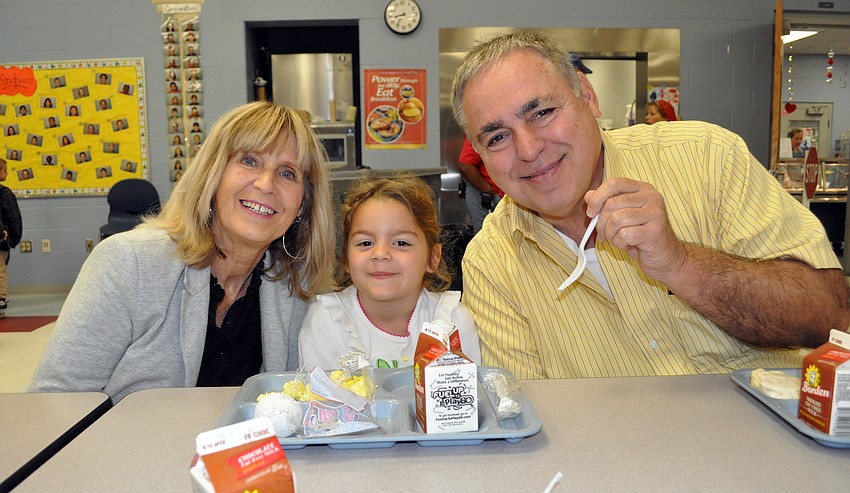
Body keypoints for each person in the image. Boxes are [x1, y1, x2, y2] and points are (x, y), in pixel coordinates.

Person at [450, 31, 850, 379]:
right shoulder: (491, 262)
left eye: (541, 113)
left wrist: (681, 264)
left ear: (586, 97)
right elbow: (528, 416)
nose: (529, 149)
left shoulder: (705, 157)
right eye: (498, 137)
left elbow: (830, 317)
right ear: (481, 155)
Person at [26, 101, 336, 402]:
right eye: (250, 161)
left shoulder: (295, 288)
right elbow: (52, 404)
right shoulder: (128, 263)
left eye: (287, 173)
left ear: (302, 205)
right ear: (213, 176)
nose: (266, 184)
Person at [299, 173, 481, 370]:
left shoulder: (452, 322)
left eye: (401, 243)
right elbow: (318, 398)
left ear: (433, 257)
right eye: (365, 243)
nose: (380, 254)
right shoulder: (326, 322)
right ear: (345, 258)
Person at [0, 159, 23, 318]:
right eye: (5, 170)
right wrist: (13, 238)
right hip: (1, 239)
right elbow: (13, 217)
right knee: (1, 270)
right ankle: (0, 300)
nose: (7, 173)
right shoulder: (4, 193)